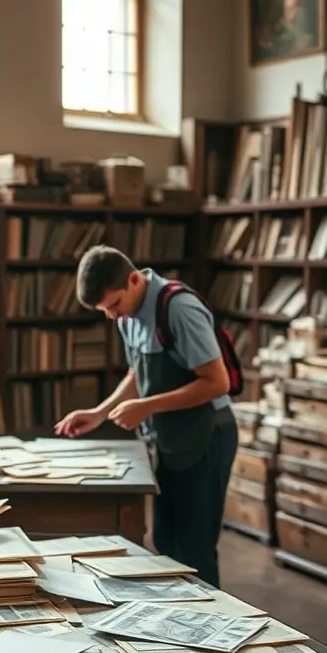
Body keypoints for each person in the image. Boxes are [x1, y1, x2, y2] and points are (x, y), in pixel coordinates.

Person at [55, 246, 237, 588]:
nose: (110, 317)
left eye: (112, 305)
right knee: (166, 543)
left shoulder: (179, 309)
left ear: (134, 280)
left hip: (206, 437)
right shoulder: (126, 315)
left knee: (195, 549)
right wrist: (99, 413)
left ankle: (210, 627)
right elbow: (138, 374)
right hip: (169, 439)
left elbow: (217, 382)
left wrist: (147, 406)